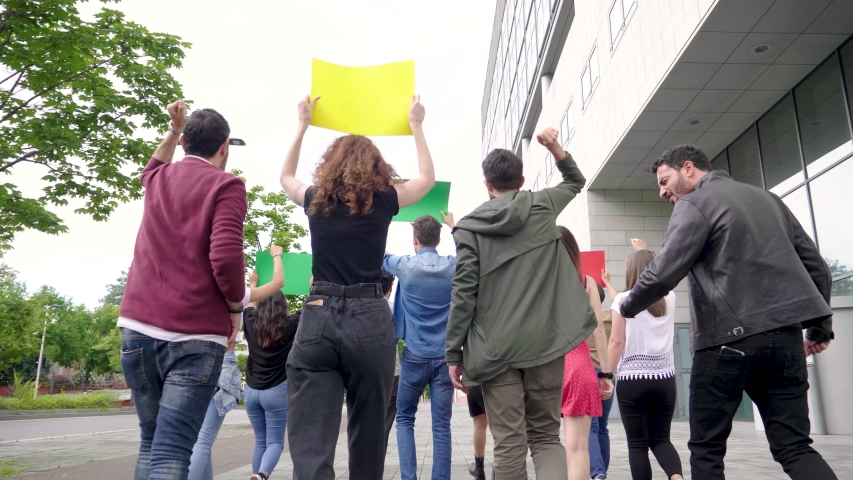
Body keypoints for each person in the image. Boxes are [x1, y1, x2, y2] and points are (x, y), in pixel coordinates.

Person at [618, 144, 836, 480]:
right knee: (794, 447)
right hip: (785, 340)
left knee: (707, 452)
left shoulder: (694, 203)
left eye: (665, 181)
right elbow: (817, 268)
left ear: (688, 168)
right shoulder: (769, 200)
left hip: (726, 343)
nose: (663, 192)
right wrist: (819, 329)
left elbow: (664, 271)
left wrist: (626, 305)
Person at [279, 95, 435, 480]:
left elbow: (285, 179)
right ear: (377, 167)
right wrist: (417, 126)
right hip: (369, 315)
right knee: (368, 437)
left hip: (318, 314)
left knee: (311, 439)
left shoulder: (316, 200)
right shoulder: (384, 200)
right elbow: (427, 180)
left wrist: (302, 124)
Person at [446, 127, 596, 480]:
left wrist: (454, 354)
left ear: (487, 184)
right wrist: (555, 147)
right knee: (545, 436)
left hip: (495, 351)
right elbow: (576, 180)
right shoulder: (542, 204)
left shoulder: (468, 230)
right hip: (546, 345)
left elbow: (463, 293)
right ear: (522, 179)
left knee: (510, 443)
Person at [119, 100, 248, 479]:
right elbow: (225, 258)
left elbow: (153, 164)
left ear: (184, 142)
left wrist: (174, 129)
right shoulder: (227, 184)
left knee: (151, 441)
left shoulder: (158, 179)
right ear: (223, 145)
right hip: (194, 335)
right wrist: (236, 308)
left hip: (137, 329)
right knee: (173, 450)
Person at [188, 247, 286, 480]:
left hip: (192, 366)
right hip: (223, 369)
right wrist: (275, 258)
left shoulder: (197, 296)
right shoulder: (235, 299)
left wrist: (252, 285)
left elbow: (251, 308)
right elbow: (278, 283)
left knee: (200, 438)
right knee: (203, 440)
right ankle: (260, 474)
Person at [383, 213, 457, 480]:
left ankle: (409, 478)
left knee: (404, 418)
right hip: (446, 357)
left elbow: (380, 256)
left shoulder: (405, 266)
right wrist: (453, 226)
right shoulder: (452, 266)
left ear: (415, 239)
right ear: (438, 240)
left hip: (414, 354)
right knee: (441, 426)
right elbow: (470, 257)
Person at [609, 249, 683, 480]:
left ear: (629, 272)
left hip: (633, 381)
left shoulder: (622, 301)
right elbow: (664, 263)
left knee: (638, 445)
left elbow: (616, 341)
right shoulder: (669, 297)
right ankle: (677, 477)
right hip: (665, 379)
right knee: (661, 439)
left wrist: (606, 374)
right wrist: (643, 249)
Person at [557, 227, 614, 480]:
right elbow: (598, 330)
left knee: (542, 443)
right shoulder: (585, 281)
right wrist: (606, 372)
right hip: (578, 365)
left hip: (543, 366)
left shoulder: (534, 280)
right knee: (578, 449)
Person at [243, 281, 301, 480]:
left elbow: (249, 304)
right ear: (283, 306)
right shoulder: (291, 324)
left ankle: (256, 475)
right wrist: (313, 285)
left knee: (260, 441)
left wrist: (253, 285)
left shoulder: (250, 323)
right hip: (276, 390)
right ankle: (261, 474)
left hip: (250, 391)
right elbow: (312, 306)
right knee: (275, 442)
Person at [381, 271, 399, 454]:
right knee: (385, 422)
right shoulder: (395, 309)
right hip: (392, 372)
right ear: (391, 288)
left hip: (365, 371)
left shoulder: (359, 308)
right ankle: (377, 460)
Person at [466, 385, 489, 480]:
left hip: (475, 379)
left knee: (479, 425)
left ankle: (479, 469)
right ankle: (497, 471)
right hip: (497, 378)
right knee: (498, 426)